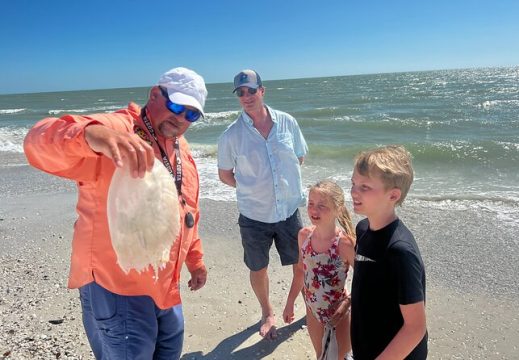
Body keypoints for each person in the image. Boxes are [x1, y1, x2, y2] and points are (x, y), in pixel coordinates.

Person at [24, 67, 209, 359]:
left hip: (165, 285)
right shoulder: (118, 128)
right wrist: (92, 135)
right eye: (176, 106)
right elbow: (37, 142)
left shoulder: (180, 148)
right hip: (117, 287)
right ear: (154, 95)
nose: (181, 119)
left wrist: (195, 260)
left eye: (192, 114)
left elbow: (185, 210)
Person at [217, 69, 308, 339]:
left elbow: (299, 157)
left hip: (289, 210)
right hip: (253, 215)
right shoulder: (230, 135)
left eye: (251, 90)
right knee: (258, 267)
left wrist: (281, 186)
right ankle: (268, 312)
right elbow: (225, 175)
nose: (246, 96)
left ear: (262, 90)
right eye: (241, 93)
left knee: (301, 263)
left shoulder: (287, 122)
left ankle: (308, 305)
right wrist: (253, 188)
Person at [349, 145, 428, 359]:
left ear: (393, 195)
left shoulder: (400, 251)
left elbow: (415, 328)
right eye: (353, 183)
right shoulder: (363, 228)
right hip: (366, 347)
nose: (354, 192)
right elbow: (372, 281)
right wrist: (350, 302)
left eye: (365, 187)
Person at [283, 180, 356, 359]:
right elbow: (301, 271)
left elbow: (366, 281)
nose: (314, 210)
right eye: (311, 204)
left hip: (338, 313)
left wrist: (347, 304)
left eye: (322, 206)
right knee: (321, 354)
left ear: (338, 209)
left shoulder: (344, 244)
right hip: (313, 310)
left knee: (339, 357)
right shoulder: (304, 236)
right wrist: (290, 302)